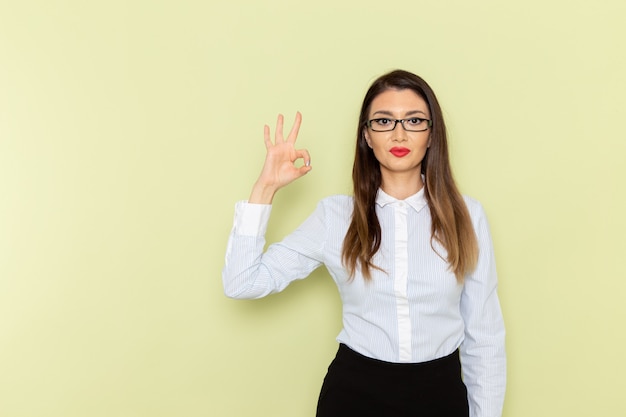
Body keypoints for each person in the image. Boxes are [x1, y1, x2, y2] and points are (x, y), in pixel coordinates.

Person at [222, 69, 506, 417]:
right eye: (384, 121)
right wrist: (264, 188)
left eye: (414, 120)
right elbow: (242, 283)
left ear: (432, 135)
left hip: (440, 394)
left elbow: (485, 336)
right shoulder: (335, 217)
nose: (399, 133)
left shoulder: (467, 215)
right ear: (367, 137)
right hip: (355, 395)